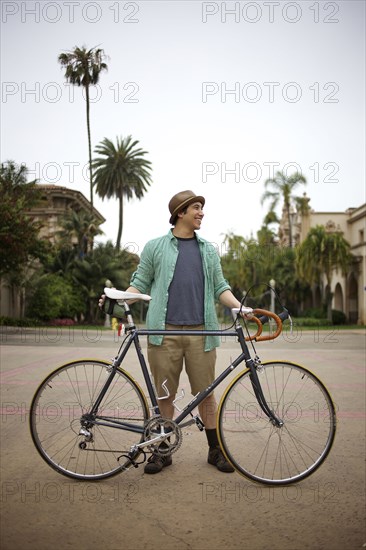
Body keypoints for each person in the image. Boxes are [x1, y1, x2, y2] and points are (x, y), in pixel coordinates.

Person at [100, 190, 249, 474]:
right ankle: (162, 450)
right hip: (163, 333)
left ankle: (215, 450)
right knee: (164, 396)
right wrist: (119, 299)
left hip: (201, 334)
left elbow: (221, 287)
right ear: (180, 213)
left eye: (202, 207)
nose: (201, 212)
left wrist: (241, 307)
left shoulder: (207, 250)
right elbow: (140, 283)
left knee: (206, 394)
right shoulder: (155, 247)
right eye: (196, 207)